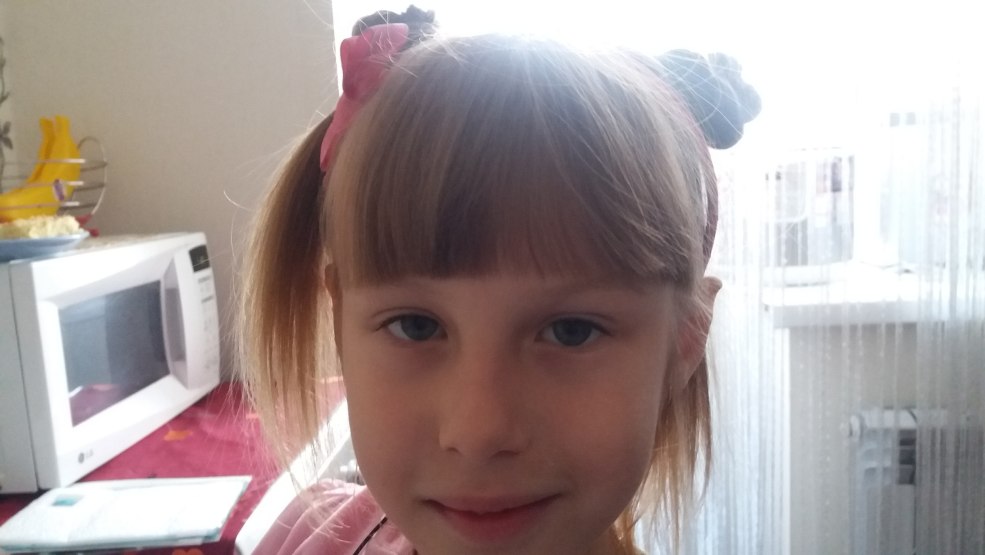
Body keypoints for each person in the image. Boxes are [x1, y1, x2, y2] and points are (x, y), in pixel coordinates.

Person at [240, 6, 759, 555]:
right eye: (415, 325)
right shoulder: (304, 535)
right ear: (340, 324)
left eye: (572, 331)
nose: (479, 432)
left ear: (685, 341)